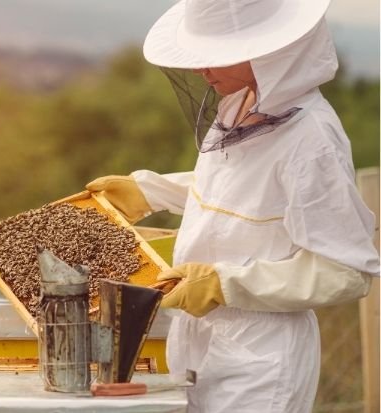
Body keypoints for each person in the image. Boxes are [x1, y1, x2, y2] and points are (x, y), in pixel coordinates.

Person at [86, 0, 380, 411]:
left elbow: (346, 271)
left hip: (261, 360)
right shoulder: (241, 101)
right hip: (200, 340)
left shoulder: (313, 142)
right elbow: (239, 193)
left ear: (271, 50)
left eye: (218, 55)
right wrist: (151, 191)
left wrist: (225, 284)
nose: (201, 70)